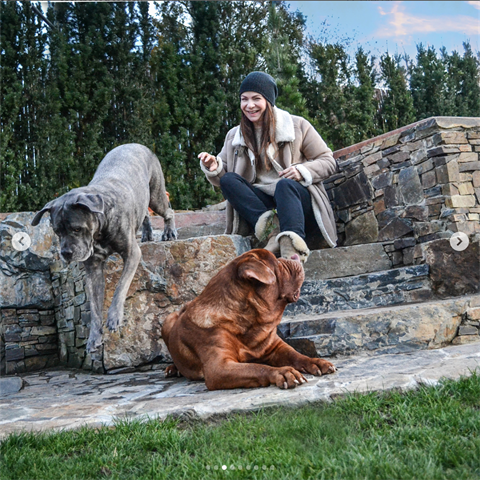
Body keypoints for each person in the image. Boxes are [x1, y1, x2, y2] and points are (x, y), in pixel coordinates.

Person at [198, 71, 337, 262]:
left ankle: (291, 250)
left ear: (269, 101)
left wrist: (301, 171)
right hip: (263, 208)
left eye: (256, 98)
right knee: (229, 180)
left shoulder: (297, 126)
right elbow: (223, 178)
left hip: (297, 204)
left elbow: (328, 161)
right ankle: (273, 232)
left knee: (284, 184)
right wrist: (213, 166)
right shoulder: (234, 136)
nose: (249, 105)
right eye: (244, 99)